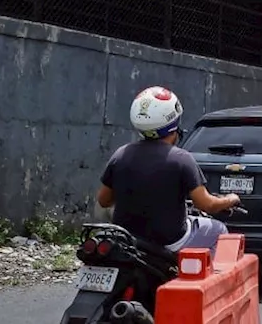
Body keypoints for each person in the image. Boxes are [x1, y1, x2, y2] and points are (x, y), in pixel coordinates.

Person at [97, 86, 240, 256]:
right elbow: (206, 204)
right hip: (171, 239)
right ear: (174, 123)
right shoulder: (181, 158)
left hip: (127, 236)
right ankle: (197, 280)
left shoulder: (120, 154)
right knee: (219, 230)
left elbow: (104, 200)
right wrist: (231, 199)